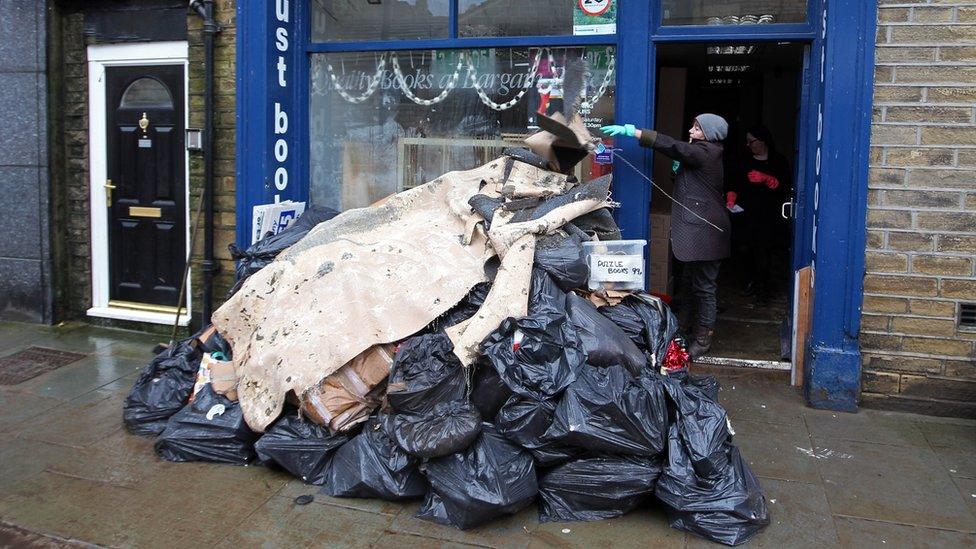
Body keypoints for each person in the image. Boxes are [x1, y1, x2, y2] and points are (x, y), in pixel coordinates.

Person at [601, 114, 731, 359]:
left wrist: (636, 132)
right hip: (699, 232)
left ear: (709, 133)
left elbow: (673, 146)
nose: (691, 130)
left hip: (707, 232)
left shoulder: (706, 151)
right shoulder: (702, 151)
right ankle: (681, 328)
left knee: (704, 288)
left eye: (697, 128)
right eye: (692, 126)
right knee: (689, 283)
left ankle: (703, 340)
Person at [726, 125, 792, 304]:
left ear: (763, 141)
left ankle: (764, 291)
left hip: (769, 216)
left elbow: (785, 186)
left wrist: (766, 178)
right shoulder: (743, 160)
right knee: (744, 249)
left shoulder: (778, 161)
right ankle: (750, 282)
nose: (748, 145)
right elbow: (733, 182)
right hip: (745, 215)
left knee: (765, 252)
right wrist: (731, 198)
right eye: (747, 142)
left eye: (751, 141)